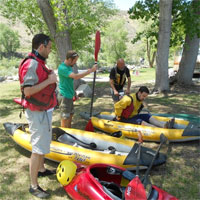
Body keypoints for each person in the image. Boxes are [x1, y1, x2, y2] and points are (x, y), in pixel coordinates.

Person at [18, 33, 57, 198]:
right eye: (48, 48)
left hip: (44, 110)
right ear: (41, 46)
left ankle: (41, 170)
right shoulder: (32, 64)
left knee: (42, 144)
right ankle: (33, 186)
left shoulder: (39, 62)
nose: (49, 51)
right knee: (37, 148)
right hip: (36, 112)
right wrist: (49, 81)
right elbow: (27, 91)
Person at [58, 50, 98, 128]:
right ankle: (63, 134)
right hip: (64, 96)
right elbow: (76, 76)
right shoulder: (62, 68)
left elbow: (69, 82)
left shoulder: (69, 67)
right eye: (75, 60)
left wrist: (74, 93)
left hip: (69, 95)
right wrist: (90, 70)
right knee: (65, 117)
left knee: (70, 114)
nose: (75, 62)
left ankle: (68, 131)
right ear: (69, 59)